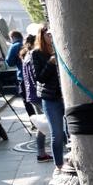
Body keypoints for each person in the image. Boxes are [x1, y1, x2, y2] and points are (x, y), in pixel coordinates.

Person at [30, 26, 66, 171]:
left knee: (71, 132)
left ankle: (73, 160)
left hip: (67, 97)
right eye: (48, 34)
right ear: (42, 36)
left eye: (53, 33)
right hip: (51, 98)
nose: (51, 37)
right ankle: (59, 165)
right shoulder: (37, 53)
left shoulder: (62, 48)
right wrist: (50, 63)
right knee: (56, 133)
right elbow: (39, 78)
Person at [20, 35, 53, 162]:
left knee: (43, 124)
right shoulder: (33, 55)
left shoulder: (27, 55)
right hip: (38, 95)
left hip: (34, 94)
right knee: (47, 123)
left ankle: (41, 153)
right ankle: (41, 153)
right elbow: (37, 78)